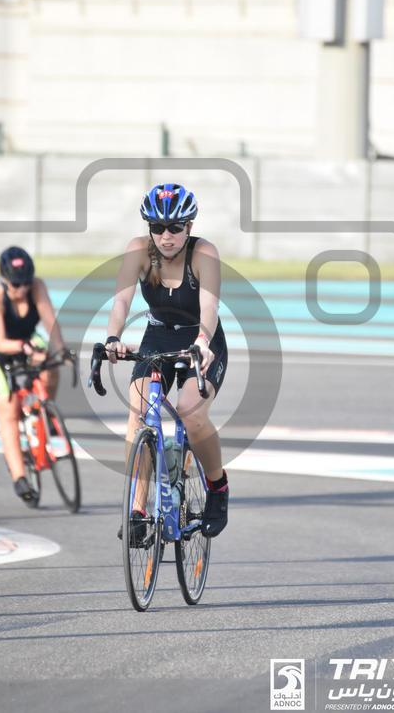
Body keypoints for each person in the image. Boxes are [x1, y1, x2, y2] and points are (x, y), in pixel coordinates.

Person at [105, 183, 229, 538]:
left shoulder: (203, 253)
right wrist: (112, 338)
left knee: (190, 412)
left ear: (189, 226)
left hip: (200, 337)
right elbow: (121, 302)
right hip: (158, 336)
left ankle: (218, 488)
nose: (166, 236)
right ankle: (138, 511)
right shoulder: (138, 250)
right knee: (139, 414)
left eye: (175, 227)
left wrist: (202, 342)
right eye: (157, 227)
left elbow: (209, 308)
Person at [0, 246, 67, 506]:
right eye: (16, 284)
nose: (23, 288)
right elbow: (0, 342)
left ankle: (44, 413)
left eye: (26, 282)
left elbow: (51, 325)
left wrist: (60, 351)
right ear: (5, 280)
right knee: (9, 409)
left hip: (25, 341)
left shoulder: (37, 287)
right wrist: (24, 347)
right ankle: (19, 478)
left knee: (50, 364)